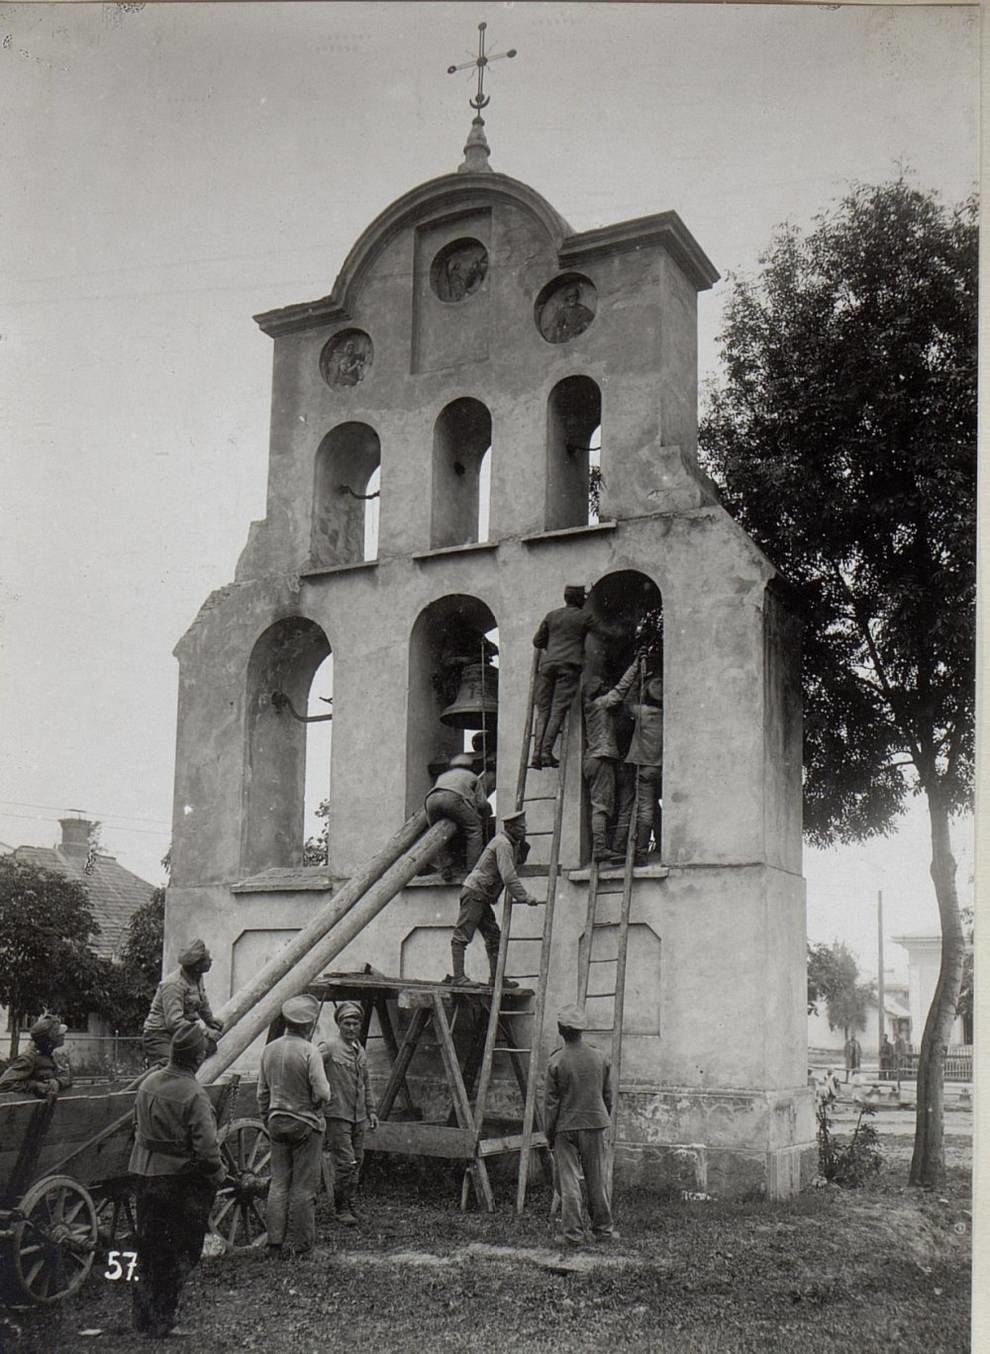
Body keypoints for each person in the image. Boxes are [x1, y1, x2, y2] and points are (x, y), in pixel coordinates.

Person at [129, 1021, 226, 1339]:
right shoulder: (194, 1094)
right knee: (180, 1251)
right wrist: (217, 1174)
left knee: (148, 1248)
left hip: (146, 1175)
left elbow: (137, 1127)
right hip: (179, 1183)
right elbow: (208, 1151)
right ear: (198, 1057)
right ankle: (163, 1320)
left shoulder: (148, 1083)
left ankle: (143, 1317)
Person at [257, 994, 332, 1257]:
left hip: (276, 1122)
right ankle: (302, 1246)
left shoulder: (269, 1049)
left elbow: (262, 1094)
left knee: (278, 1184)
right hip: (305, 1124)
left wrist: (268, 1117)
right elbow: (323, 1092)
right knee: (303, 1187)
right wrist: (313, 1104)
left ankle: (274, 1244)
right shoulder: (310, 1051)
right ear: (308, 1025)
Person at [544, 1004, 617, 1247]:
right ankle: (604, 1231)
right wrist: (600, 1118)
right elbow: (608, 1096)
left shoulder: (556, 1061)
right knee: (597, 1179)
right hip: (595, 1123)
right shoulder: (600, 1057)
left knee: (569, 1181)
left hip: (565, 1127)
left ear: (560, 1029)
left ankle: (573, 1234)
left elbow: (551, 1104)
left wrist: (550, 1133)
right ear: (581, 1030)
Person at [449, 809, 540, 988]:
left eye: (525, 827)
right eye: (521, 827)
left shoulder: (510, 843)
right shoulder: (503, 843)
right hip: (475, 892)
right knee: (462, 935)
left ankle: (496, 979)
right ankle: (458, 977)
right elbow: (508, 875)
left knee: (493, 936)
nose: (525, 830)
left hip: (481, 895)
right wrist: (525, 897)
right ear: (510, 827)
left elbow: (512, 866)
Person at [321, 1002, 379, 1226]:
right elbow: (311, 1070)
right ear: (338, 1024)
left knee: (357, 1161)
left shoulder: (359, 1049)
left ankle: (351, 1204)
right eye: (347, 1023)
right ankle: (341, 1208)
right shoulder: (328, 1047)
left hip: (359, 1116)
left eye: (355, 1023)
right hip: (337, 1114)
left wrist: (371, 1111)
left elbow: (366, 1083)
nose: (351, 1028)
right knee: (346, 1163)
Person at [602, 663, 663, 864]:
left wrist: (638, 679)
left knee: (641, 809)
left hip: (640, 765)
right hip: (657, 766)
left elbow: (624, 701)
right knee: (651, 807)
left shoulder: (642, 712)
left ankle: (637, 851)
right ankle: (647, 849)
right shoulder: (665, 717)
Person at [532, 585, 594, 769]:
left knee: (543, 710)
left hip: (547, 666)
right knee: (558, 709)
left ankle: (536, 753)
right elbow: (606, 632)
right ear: (579, 599)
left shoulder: (551, 615)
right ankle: (545, 752)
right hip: (569, 667)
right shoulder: (584, 616)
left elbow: (537, 641)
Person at [142, 938, 223, 1066]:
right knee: (170, 1068)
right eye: (208, 959)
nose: (211, 960)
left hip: (181, 1033)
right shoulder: (173, 985)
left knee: (210, 1047)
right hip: (160, 1035)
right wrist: (206, 1031)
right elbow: (174, 1022)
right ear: (197, 966)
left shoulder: (197, 978)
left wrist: (210, 1020)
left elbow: (202, 1002)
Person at [424, 751, 493, 880]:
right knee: (474, 830)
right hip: (453, 799)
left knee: (437, 835)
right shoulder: (472, 777)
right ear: (469, 766)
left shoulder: (442, 776)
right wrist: (486, 813)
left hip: (430, 800)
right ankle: (472, 869)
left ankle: (445, 868)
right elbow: (482, 804)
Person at [582, 679, 624, 863]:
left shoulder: (590, 708)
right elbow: (620, 689)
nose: (607, 688)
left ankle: (601, 845)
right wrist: (637, 664)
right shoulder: (601, 704)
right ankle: (599, 848)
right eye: (604, 687)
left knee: (601, 804)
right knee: (601, 806)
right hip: (601, 758)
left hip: (592, 759)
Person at [0, 1014, 72, 1099]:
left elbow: (68, 1076)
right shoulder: (29, 1058)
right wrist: (35, 1085)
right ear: (49, 1038)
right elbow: (4, 1084)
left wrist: (58, 1082)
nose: (63, 1035)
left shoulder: (52, 1056)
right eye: (58, 1032)